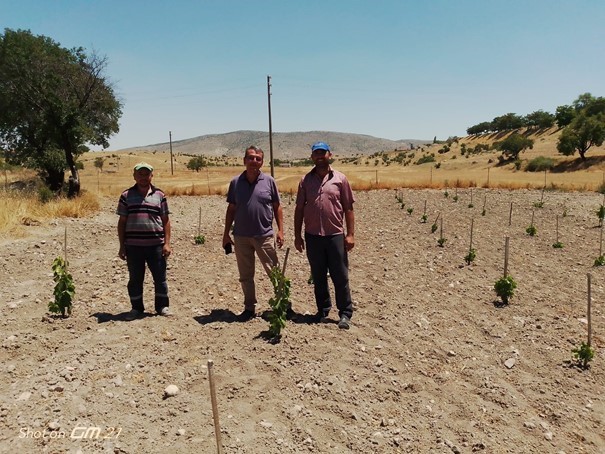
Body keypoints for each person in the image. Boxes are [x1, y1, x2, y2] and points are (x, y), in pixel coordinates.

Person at [294, 141, 355, 329]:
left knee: (340, 276)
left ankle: (345, 313)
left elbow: (348, 208)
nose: (320, 156)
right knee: (318, 276)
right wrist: (297, 235)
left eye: (323, 153)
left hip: (335, 235)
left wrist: (350, 234)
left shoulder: (340, 179)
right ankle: (323, 309)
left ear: (330, 155)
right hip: (313, 236)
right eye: (316, 153)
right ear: (312, 157)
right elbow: (299, 209)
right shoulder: (305, 181)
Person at [223, 146, 284, 319]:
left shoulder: (269, 181)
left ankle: (284, 304)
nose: (254, 161)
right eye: (251, 158)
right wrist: (226, 234)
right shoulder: (236, 182)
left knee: (275, 272)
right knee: (245, 275)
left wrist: (281, 231)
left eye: (258, 158)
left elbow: (277, 207)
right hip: (241, 236)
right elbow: (231, 208)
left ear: (262, 162)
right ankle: (249, 308)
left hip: (264, 235)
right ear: (244, 160)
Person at [117, 162, 172, 320]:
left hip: (156, 245)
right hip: (133, 247)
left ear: (151, 176)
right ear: (134, 176)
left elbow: (166, 220)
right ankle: (136, 309)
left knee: (160, 278)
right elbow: (122, 222)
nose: (143, 177)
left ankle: (162, 307)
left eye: (146, 174)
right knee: (135, 279)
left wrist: (167, 243)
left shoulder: (160, 195)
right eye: (140, 174)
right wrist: (122, 246)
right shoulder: (126, 195)